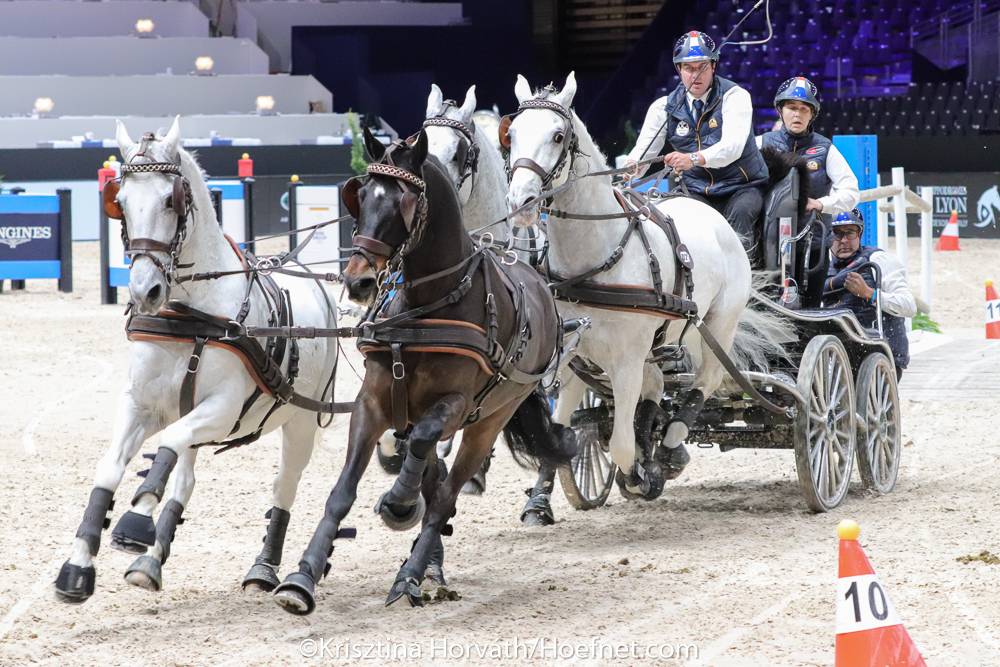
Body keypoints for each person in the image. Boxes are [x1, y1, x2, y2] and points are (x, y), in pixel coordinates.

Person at [625, 30, 769, 262]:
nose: (696, 75)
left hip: (741, 186)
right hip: (696, 189)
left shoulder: (735, 96)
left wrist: (692, 159)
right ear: (679, 70)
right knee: (685, 222)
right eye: (689, 68)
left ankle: (746, 277)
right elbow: (643, 153)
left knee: (740, 215)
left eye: (702, 67)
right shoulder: (663, 107)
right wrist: (631, 169)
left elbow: (732, 147)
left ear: (713, 66)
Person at [823, 209, 916, 379]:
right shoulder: (821, 267)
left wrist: (869, 293)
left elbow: (909, 306)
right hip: (835, 356)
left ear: (859, 234)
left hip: (879, 356)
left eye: (850, 233)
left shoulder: (879, 260)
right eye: (837, 233)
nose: (844, 240)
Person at [757, 76, 859, 217]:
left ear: (812, 114)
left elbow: (851, 192)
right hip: (767, 227)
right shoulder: (760, 143)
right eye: (792, 108)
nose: (797, 114)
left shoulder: (826, 149)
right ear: (780, 111)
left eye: (804, 109)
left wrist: (820, 204)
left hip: (814, 228)